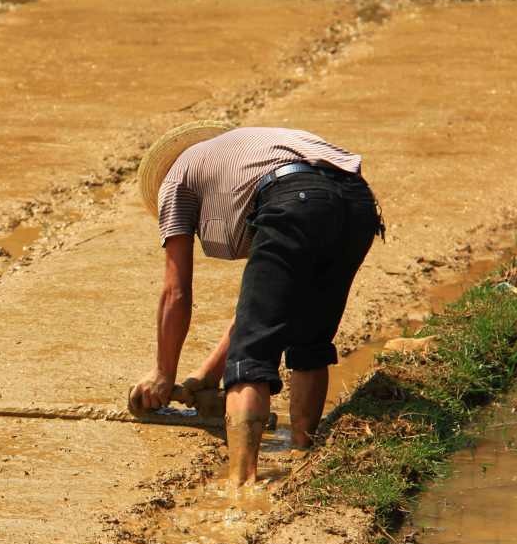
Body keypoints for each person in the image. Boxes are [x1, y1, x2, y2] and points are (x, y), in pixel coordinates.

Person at [129, 123, 384, 485]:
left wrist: (162, 375)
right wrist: (204, 379)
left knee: (251, 360)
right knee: (310, 341)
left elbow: (176, 293)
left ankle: (241, 485)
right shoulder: (244, 158)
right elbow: (264, 307)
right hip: (356, 202)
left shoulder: (174, 181)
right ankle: (302, 458)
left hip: (293, 197)